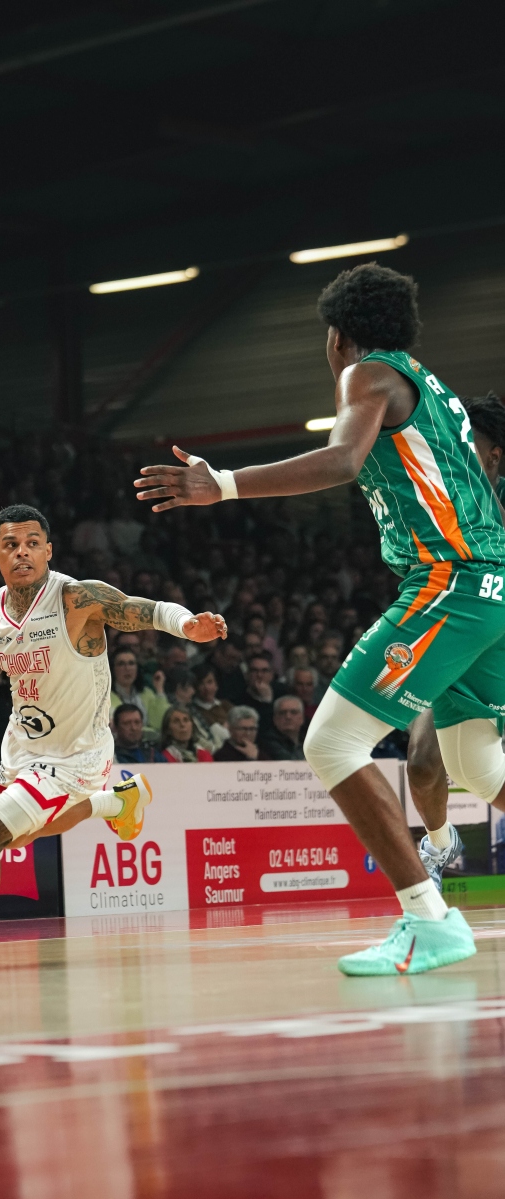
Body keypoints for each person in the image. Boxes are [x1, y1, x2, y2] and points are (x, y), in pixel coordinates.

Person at [135, 260, 499, 975]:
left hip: (451, 581)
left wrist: (223, 484)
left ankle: (429, 922)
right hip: (491, 585)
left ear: (337, 336)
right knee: (476, 765)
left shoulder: (367, 374)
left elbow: (340, 461)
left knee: (331, 743)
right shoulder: (430, 385)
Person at [0, 503, 224, 968]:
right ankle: (116, 803)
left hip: (77, 752)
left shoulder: (76, 599)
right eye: (11, 545)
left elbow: (140, 610)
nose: (22, 552)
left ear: (48, 551)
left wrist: (187, 625)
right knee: (10, 840)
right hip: (22, 749)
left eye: (32, 543)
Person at [404, 392, 505, 888]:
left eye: (470, 449)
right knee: (422, 765)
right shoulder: (437, 501)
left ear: (494, 456)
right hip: (455, 641)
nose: (457, 459)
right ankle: (441, 845)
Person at [261, 695, 306, 760]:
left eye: (293, 712)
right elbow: (289, 763)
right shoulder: (268, 742)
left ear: (302, 718)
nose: (288, 717)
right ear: (275, 719)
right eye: (282, 713)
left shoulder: (307, 740)